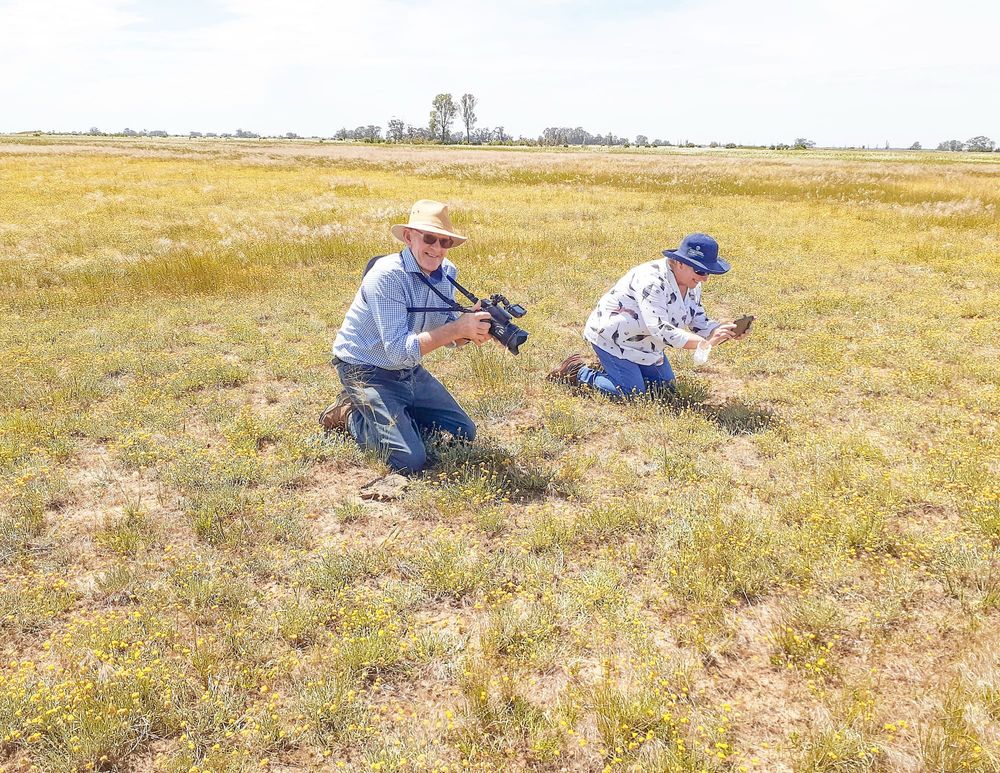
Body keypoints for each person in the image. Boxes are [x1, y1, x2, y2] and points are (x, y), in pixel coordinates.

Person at [320, 200, 492, 473]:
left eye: (444, 242)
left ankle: (397, 414)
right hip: (365, 369)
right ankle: (350, 414)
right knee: (408, 461)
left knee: (464, 432)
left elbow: (446, 328)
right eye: (430, 238)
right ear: (410, 236)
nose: (437, 249)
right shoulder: (387, 276)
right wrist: (457, 329)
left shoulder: (447, 272)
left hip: (407, 370)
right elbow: (399, 350)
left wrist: (472, 329)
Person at [548, 233, 746, 396]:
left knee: (663, 390)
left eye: (708, 272)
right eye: (700, 271)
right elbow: (661, 329)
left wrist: (722, 330)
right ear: (680, 263)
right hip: (614, 338)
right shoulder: (652, 281)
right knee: (631, 393)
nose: (705, 278)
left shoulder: (692, 283)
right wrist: (704, 344)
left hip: (647, 344)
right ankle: (578, 372)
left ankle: (613, 368)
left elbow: (698, 320)